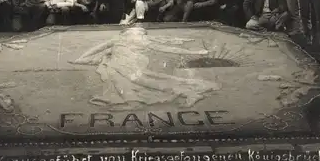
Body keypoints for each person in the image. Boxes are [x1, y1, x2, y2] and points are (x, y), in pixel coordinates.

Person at [70, 26, 219, 108]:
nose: (134, 34)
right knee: (120, 79)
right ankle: (133, 100)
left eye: (138, 32)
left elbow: (167, 48)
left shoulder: (142, 41)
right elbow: (97, 49)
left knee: (143, 80)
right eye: (132, 31)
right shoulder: (118, 39)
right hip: (117, 62)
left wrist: (195, 52)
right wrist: (81, 58)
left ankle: (187, 92)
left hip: (133, 62)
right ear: (127, 33)